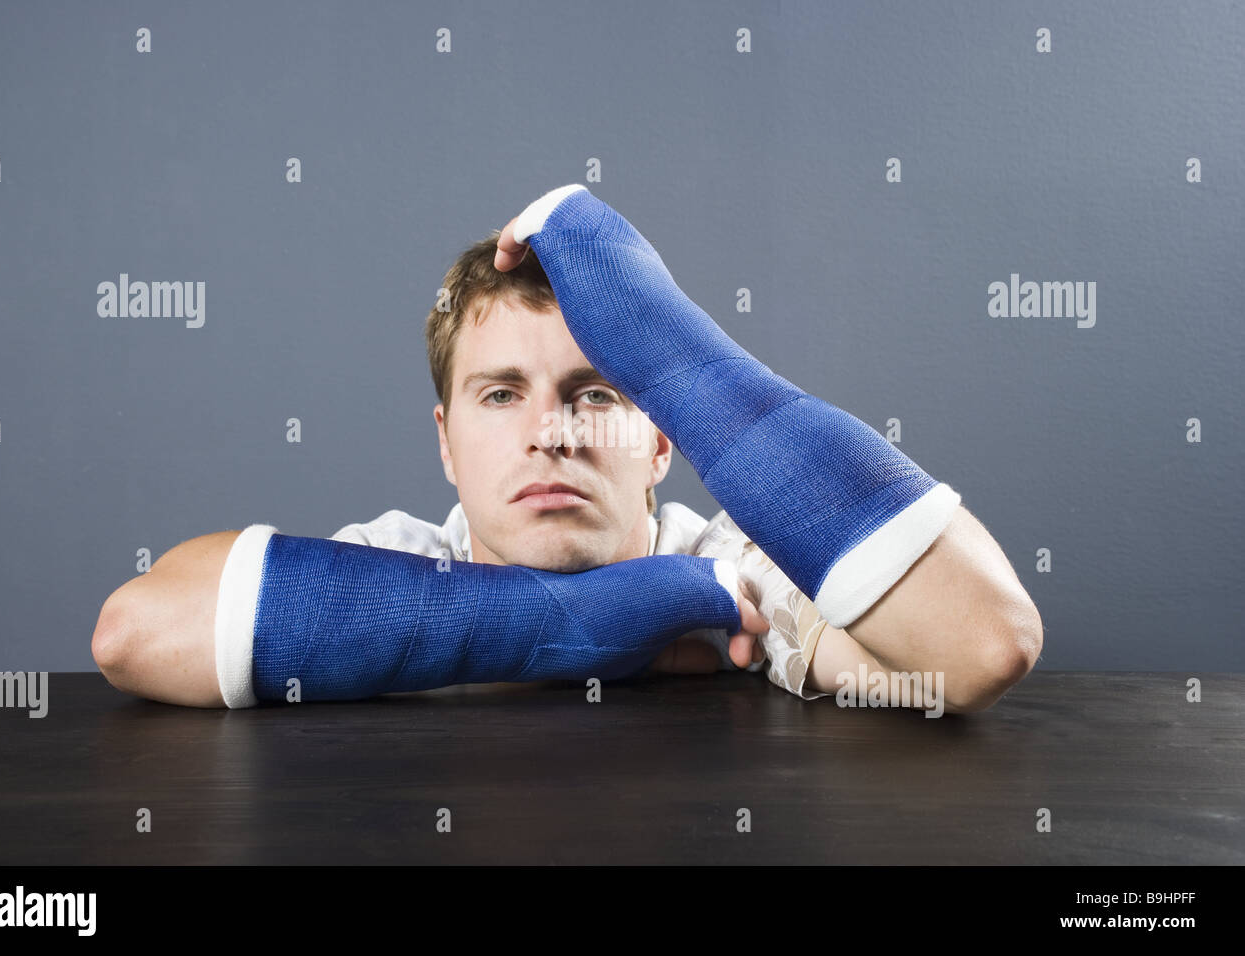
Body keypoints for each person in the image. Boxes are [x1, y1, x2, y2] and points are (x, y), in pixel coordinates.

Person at [92, 188, 1042, 713]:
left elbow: (988, 644)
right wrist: (577, 621)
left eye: (596, 395)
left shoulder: (739, 572)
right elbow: (134, 634)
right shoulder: (404, 560)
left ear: (665, 439)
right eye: (500, 395)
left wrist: (676, 349)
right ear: (447, 448)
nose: (551, 429)